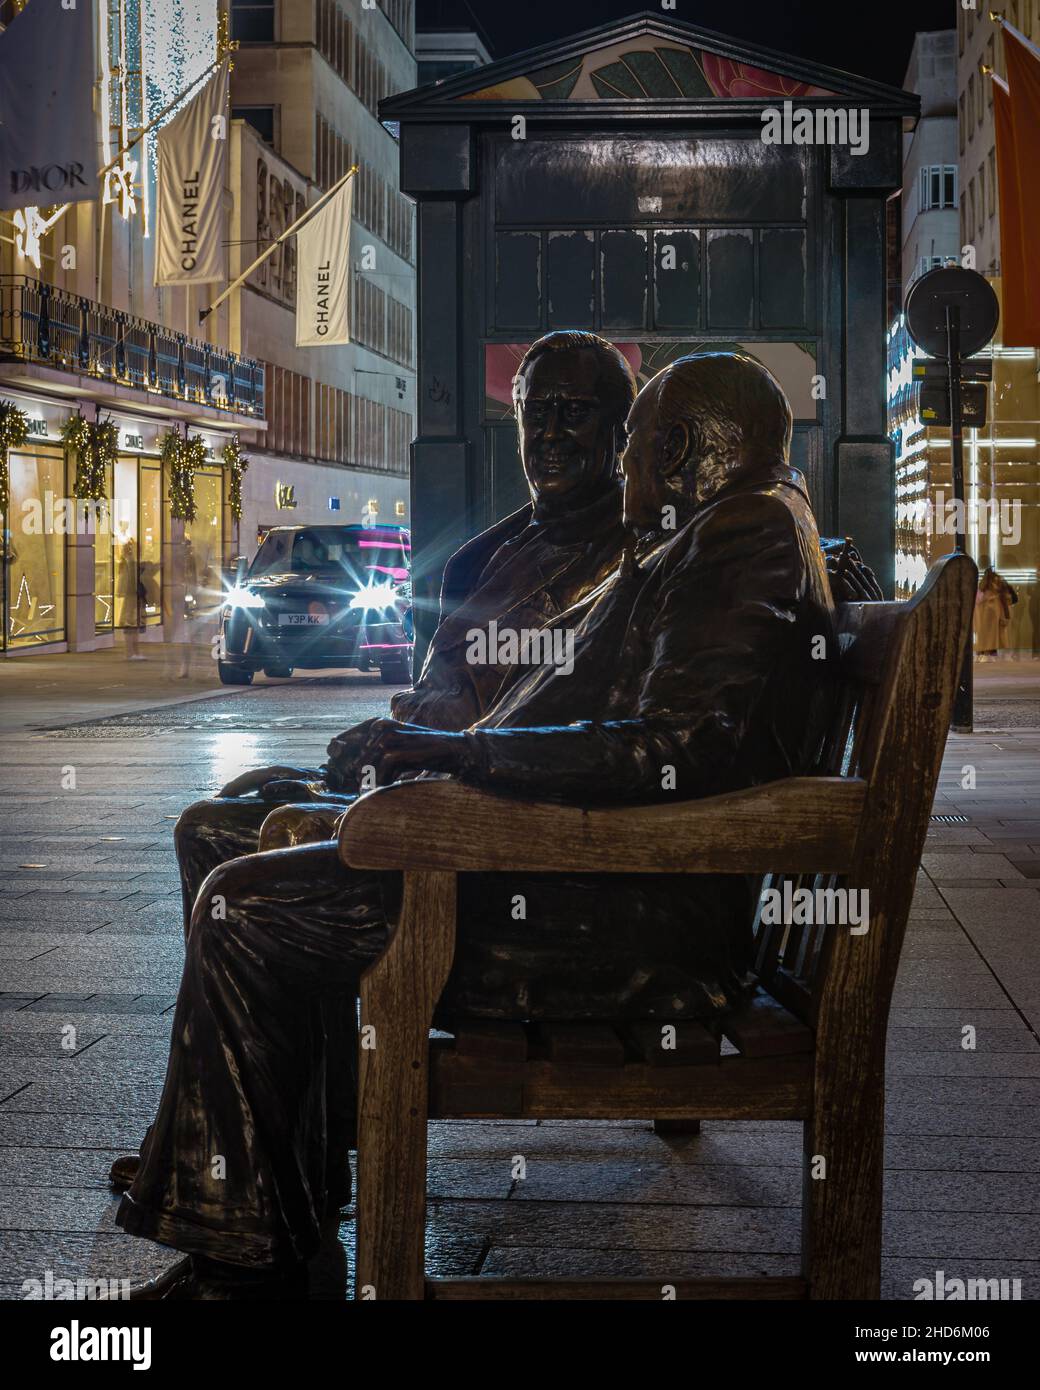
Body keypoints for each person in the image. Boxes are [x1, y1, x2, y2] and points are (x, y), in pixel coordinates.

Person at [115, 351, 835, 1298]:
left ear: (675, 447)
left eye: (626, 442)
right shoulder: (718, 529)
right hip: (587, 871)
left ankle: (245, 1267)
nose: (618, 464)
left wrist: (463, 758)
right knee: (225, 839)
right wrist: (442, 756)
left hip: (620, 916)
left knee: (244, 910)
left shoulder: (742, 533)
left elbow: (675, 747)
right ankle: (273, 1188)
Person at [105, 330, 635, 1195]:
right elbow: (446, 691)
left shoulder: (622, 557)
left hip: (485, 846)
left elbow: (544, 720)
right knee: (213, 824)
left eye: (574, 413)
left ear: (621, 429)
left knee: (249, 880)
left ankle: (242, 1194)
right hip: (435, 792)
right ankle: (252, 1149)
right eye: (536, 413)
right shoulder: (507, 545)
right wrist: (382, 738)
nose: (549, 433)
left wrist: (411, 751)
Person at [974, 563, 1017, 661]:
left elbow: (978, 600)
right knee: (993, 635)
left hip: (988, 613)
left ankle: (985, 653)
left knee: (987, 635)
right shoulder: (998, 588)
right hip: (994, 613)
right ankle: (989, 653)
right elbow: (1008, 599)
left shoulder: (984, 588)